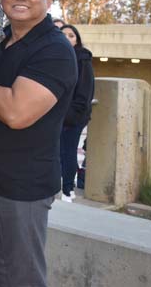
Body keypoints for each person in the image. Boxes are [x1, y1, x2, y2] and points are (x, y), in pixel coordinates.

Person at [0, 0, 77, 287]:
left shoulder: (54, 50)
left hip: (21, 193)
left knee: (20, 279)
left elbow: (16, 113)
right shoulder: (0, 40)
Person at [59, 24, 94, 202]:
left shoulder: (82, 59)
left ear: (77, 40)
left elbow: (85, 92)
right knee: (57, 151)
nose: (67, 38)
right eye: (63, 35)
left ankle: (67, 189)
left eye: (71, 35)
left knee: (68, 151)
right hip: (56, 115)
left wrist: (71, 115)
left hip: (74, 116)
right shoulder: (56, 57)